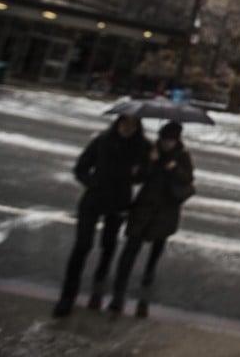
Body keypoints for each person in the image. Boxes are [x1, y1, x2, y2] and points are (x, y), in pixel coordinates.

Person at [53, 115, 151, 317]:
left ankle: (101, 275)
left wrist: (138, 171)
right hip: (94, 199)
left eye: (132, 125)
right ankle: (67, 295)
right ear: (118, 123)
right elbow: (81, 168)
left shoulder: (142, 148)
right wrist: (93, 183)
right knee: (82, 245)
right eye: (124, 124)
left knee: (109, 243)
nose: (127, 129)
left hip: (119, 202)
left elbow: (143, 177)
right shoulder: (102, 141)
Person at [108, 121, 194, 318]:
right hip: (144, 207)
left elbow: (187, 179)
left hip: (166, 210)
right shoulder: (150, 151)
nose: (166, 144)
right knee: (131, 247)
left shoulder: (182, 157)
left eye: (170, 140)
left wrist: (173, 168)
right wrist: (150, 163)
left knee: (158, 242)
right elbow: (138, 176)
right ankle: (118, 293)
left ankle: (150, 269)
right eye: (164, 139)